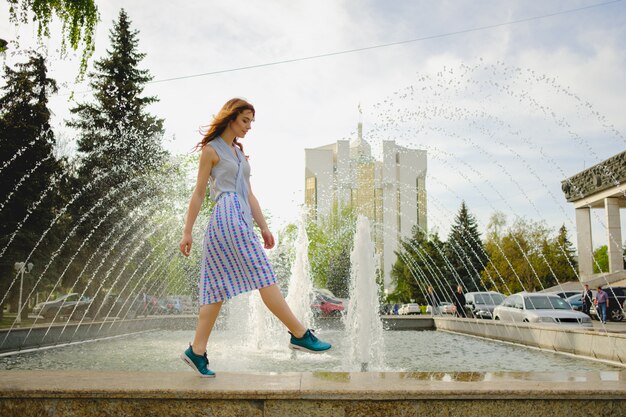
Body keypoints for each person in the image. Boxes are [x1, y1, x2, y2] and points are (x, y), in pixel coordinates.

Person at [178, 98, 331, 378]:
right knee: (262, 273)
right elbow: (199, 192)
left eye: (251, 122)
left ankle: (196, 351)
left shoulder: (238, 153)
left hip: (239, 215)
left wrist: (263, 226)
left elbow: (249, 194)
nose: (248, 127)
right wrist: (187, 230)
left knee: (216, 288)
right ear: (231, 118)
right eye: (244, 120)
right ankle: (299, 332)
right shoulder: (211, 151)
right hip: (226, 215)